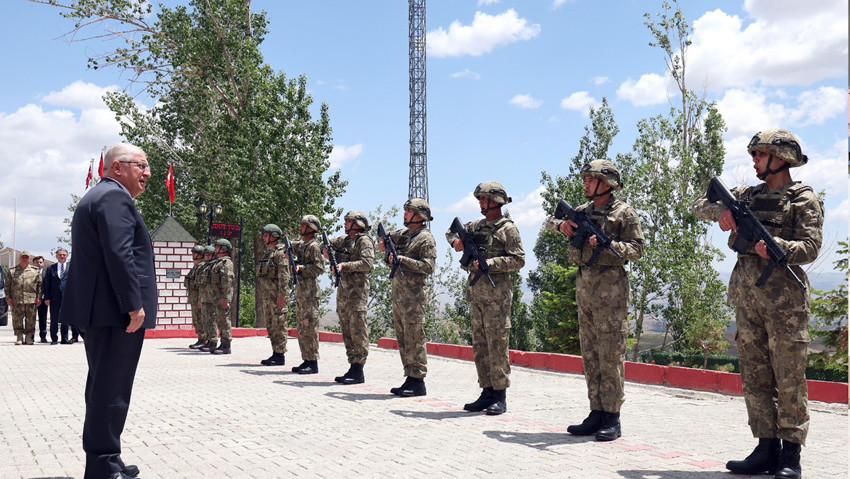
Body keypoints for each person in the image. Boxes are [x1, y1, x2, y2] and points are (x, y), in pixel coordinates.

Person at [693, 129, 822, 479]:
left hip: (785, 305)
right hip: (747, 298)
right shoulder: (746, 195)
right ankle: (766, 448)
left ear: (780, 158)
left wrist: (781, 247)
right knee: (755, 377)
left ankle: (790, 456)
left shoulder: (803, 198)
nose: (754, 161)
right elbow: (699, 204)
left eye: (760, 155)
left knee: (790, 379)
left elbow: (810, 246)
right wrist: (721, 211)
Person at [59, 142, 156, 479]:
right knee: (111, 390)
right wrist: (133, 305)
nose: (147, 173)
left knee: (104, 387)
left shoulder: (98, 196)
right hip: (116, 312)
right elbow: (120, 254)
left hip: (102, 310)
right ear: (117, 167)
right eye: (141, 165)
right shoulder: (114, 197)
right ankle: (102, 465)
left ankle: (106, 458)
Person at [546, 160, 643, 441]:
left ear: (607, 183)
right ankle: (596, 411)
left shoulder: (624, 212)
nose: (586, 184)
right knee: (590, 353)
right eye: (586, 179)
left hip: (610, 291)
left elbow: (637, 249)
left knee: (610, 354)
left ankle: (612, 416)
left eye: (591, 179)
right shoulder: (581, 212)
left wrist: (606, 244)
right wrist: (562, 225)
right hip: (585, 288)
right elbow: (550, 221)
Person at [447, 182, 525, 416]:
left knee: (497, 345)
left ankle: (499, 396)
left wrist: (491, 263)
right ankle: (486, 391)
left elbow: (518, 259)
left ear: (496, 201)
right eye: (479, 199)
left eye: (483, 199)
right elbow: (450, 230)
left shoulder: (507, 228)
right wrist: (455, 242)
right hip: (476, 294)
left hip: (497, 297)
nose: (480, 203)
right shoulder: (475, 226)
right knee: (480, 346)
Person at [379, 198, 436, 397]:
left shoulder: (425, 238)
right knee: (403, 337)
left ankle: (418, 380)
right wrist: (389, 256)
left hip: (414, 296)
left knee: (414, 336)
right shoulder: (403, 235)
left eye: (408, 211)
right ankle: (409, 376)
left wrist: (404, 260)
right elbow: (387, 251)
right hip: (399, 294)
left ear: (419, 215)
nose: (404, 214)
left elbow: (428, 266)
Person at [323, 211, 375, 384]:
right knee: (346, 327)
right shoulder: (345, 241)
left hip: (357, 291)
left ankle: (358, 368)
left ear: (358, 224)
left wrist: (344, 266)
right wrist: (325, 251)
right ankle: (352, 364)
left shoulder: (364, 241)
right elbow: (326, 244)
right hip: (344, 290)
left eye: (348, 221)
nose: (345, 224)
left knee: (357, 328)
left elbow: (367, 263)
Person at [289, 215, 326, 374]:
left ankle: (313, 361)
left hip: (310, 292)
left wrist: (301, 268)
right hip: (302, 291)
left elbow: (319, 268)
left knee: (310, 327)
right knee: (302, 328)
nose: (300, 228)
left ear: (311, 228)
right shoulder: (304, 245)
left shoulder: (314, 246)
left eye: (303, 225)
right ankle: (306, 359)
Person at [256, 224, 291, 366]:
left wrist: (282, 295)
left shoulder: (280, 253)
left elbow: (284, 276)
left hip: (277, 296)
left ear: (274, 236)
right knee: (271, 325)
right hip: (268, 296)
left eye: (266, 235)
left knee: (279, 325)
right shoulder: (268, 254)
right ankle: (275, 352)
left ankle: (280, 354)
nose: (264, 238)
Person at [5, 250, 42, 345]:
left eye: (27, 257)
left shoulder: (35, 271)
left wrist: (39, 297)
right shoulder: (12, 270)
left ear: (30, 259)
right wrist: (8, 297)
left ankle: (29, 337)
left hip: (31, 300)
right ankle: (19, 336)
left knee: (31, 319)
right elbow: (7, 286)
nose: (25, 259)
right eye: (23, 257)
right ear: (19, 258)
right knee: (17, 319)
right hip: (16, 300)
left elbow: (39, 286)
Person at [205, 239, 235, 355]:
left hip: (222, 296)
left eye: (217, 247)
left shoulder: (226, 263)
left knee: (224, 320)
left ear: (223, 248)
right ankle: (222, 343)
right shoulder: (218, 262)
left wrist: (225, 297)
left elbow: (227, 281)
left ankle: (226, 344)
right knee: (219, 319)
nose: (215, 249)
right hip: (216, 297)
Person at [43, 248, 71, 344]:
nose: (62, 256)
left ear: (67, 256)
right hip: (54, 297)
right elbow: (46, 284)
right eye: (60, 254)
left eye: (64, 254)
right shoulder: (51, 268)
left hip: (67, 297)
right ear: (56, 256)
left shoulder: (71, 267)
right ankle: (54, 339)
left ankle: (64, 338)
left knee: (66, 318)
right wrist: (47, 297)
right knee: (54, 318)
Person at [184, 244, 206, 349]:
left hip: (198, 297)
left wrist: (201, 299)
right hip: (193, 297)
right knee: (196, 319)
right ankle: (200, 338)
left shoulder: (202, 267)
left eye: (195, 253)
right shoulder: (196, 267)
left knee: (201, 318)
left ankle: (204, 338)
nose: (193, 255)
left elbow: (201, 285)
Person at [196, 245, 218, 352]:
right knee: (205, 320)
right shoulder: (205, 267)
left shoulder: (215, 266)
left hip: (213, 297)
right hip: (204, 296)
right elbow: (201, 284)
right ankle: (208, 340)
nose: (207, 256)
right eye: (206, 255)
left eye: (209, 254)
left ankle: (213, 341)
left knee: (212, 320)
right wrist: (200, 299)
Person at [33, 256, 50, 343]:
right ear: (33, 263)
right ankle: (30, 336)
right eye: (37, 262)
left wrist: (45, 296)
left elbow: (47, 286)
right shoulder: (30, 273)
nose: (39, 264)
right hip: (32, 299)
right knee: (31, 319)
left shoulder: (46, 273)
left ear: (43, 263)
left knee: (43, 318)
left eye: (40, 262)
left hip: (43, 299)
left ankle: (43, 336)